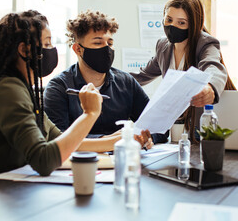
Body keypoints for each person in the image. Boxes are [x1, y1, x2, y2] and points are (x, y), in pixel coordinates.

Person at [0, 10, 102, 186]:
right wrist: (90, 114)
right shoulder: (8, 89)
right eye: (47, 43)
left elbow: (64, 140)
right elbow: (44, 160)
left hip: (3, 192)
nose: (51, 50)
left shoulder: (23, 89)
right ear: (24, 50)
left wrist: (119, 140)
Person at [44, 10, 167, 152]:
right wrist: (108, 140)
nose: (106, 49)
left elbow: (159, 126)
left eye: (110, 42)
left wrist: (147, 137)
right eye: (98, 43)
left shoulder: (126, 82)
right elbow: (58, 138)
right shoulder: (59, 87)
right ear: (78, 49)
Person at [130, 0, 236, 141]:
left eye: (181, 23)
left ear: (193, 25)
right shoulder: (163, 46)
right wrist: (110, 77)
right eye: (169, 19)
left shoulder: (205, 43)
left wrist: (210, 87)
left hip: (210, 124)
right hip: (180, 129)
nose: (172, 26)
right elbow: (142, 75)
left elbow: (213, 67)